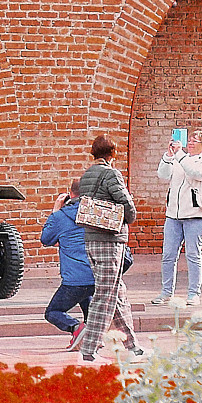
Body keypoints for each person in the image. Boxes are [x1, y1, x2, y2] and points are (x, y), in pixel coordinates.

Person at [67, 134, 137, 360]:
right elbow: (126, 205)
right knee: (105, 295)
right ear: (112, 153)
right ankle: (90, 348)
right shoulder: (111, 173)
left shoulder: (86, 175)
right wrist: (130, 215)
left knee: (117, 293)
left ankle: (132, 345)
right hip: (110, 239)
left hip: (91, 238)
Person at [156, 129, 202, 307]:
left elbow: (200, 174)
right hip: (173, 215)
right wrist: (168, 156)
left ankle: (193, 293)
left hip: (196, 214)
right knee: (168, 255)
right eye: (189, 140)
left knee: (193, 254)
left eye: (195, 141)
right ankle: (166, 292)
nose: (190, 143)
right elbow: (163, 174)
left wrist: (180, 155)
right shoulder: (179, 157)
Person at [40, 177, 98, 347]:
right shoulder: (96, 213)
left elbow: (46, 239)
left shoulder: (61, 216)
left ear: (70, 194)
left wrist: (56, 211)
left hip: (74, 280)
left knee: (53, 312)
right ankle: (92, 337)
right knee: (86, 298)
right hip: (97, 275)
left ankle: (75, 328)